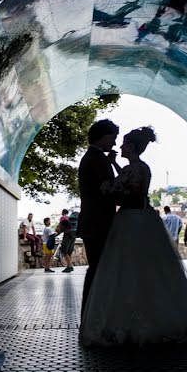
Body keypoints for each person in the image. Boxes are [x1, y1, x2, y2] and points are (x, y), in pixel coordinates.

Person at [80, 127, 187, 347]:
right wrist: (115, 167)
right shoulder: (139, 167)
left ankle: (121, 318)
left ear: (131, 147)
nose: (119, 146)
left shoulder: (131, 170)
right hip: (142, 219)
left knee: (127, 269)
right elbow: (130, 181)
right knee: (148, 268)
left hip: (130, 221)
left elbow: (124, 192)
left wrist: (109, 187)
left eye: (122, 143)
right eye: (116, 141)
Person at [77, 119, 120, 314]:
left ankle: (92, 312)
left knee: (96, 268)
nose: (114, 143)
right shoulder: (98, 160)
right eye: (112, 138)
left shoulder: (93, 157)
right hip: (99, 223)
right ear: (103, 137)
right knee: (97, 269)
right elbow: (108, 191)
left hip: (92, 222)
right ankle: (92, 313)